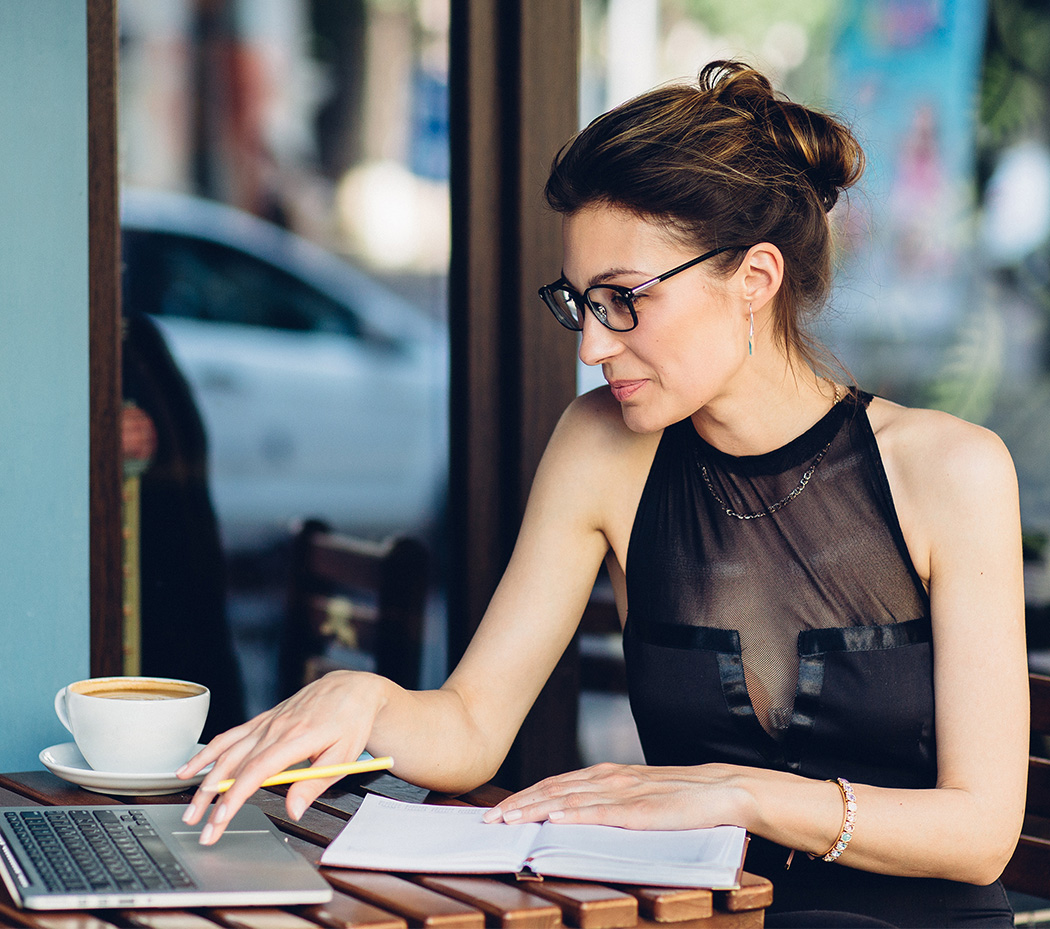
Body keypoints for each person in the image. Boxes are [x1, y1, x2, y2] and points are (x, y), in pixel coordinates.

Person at [178, 61, 1028, 927]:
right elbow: (472, 724)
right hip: (696, 916)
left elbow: (980, 832)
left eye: (624, 300)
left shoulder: (949, 470)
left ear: (755, 280)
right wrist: (371, 700)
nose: (592, 346)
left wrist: (737, 794)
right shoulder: (604, 446)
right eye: (580, 303)